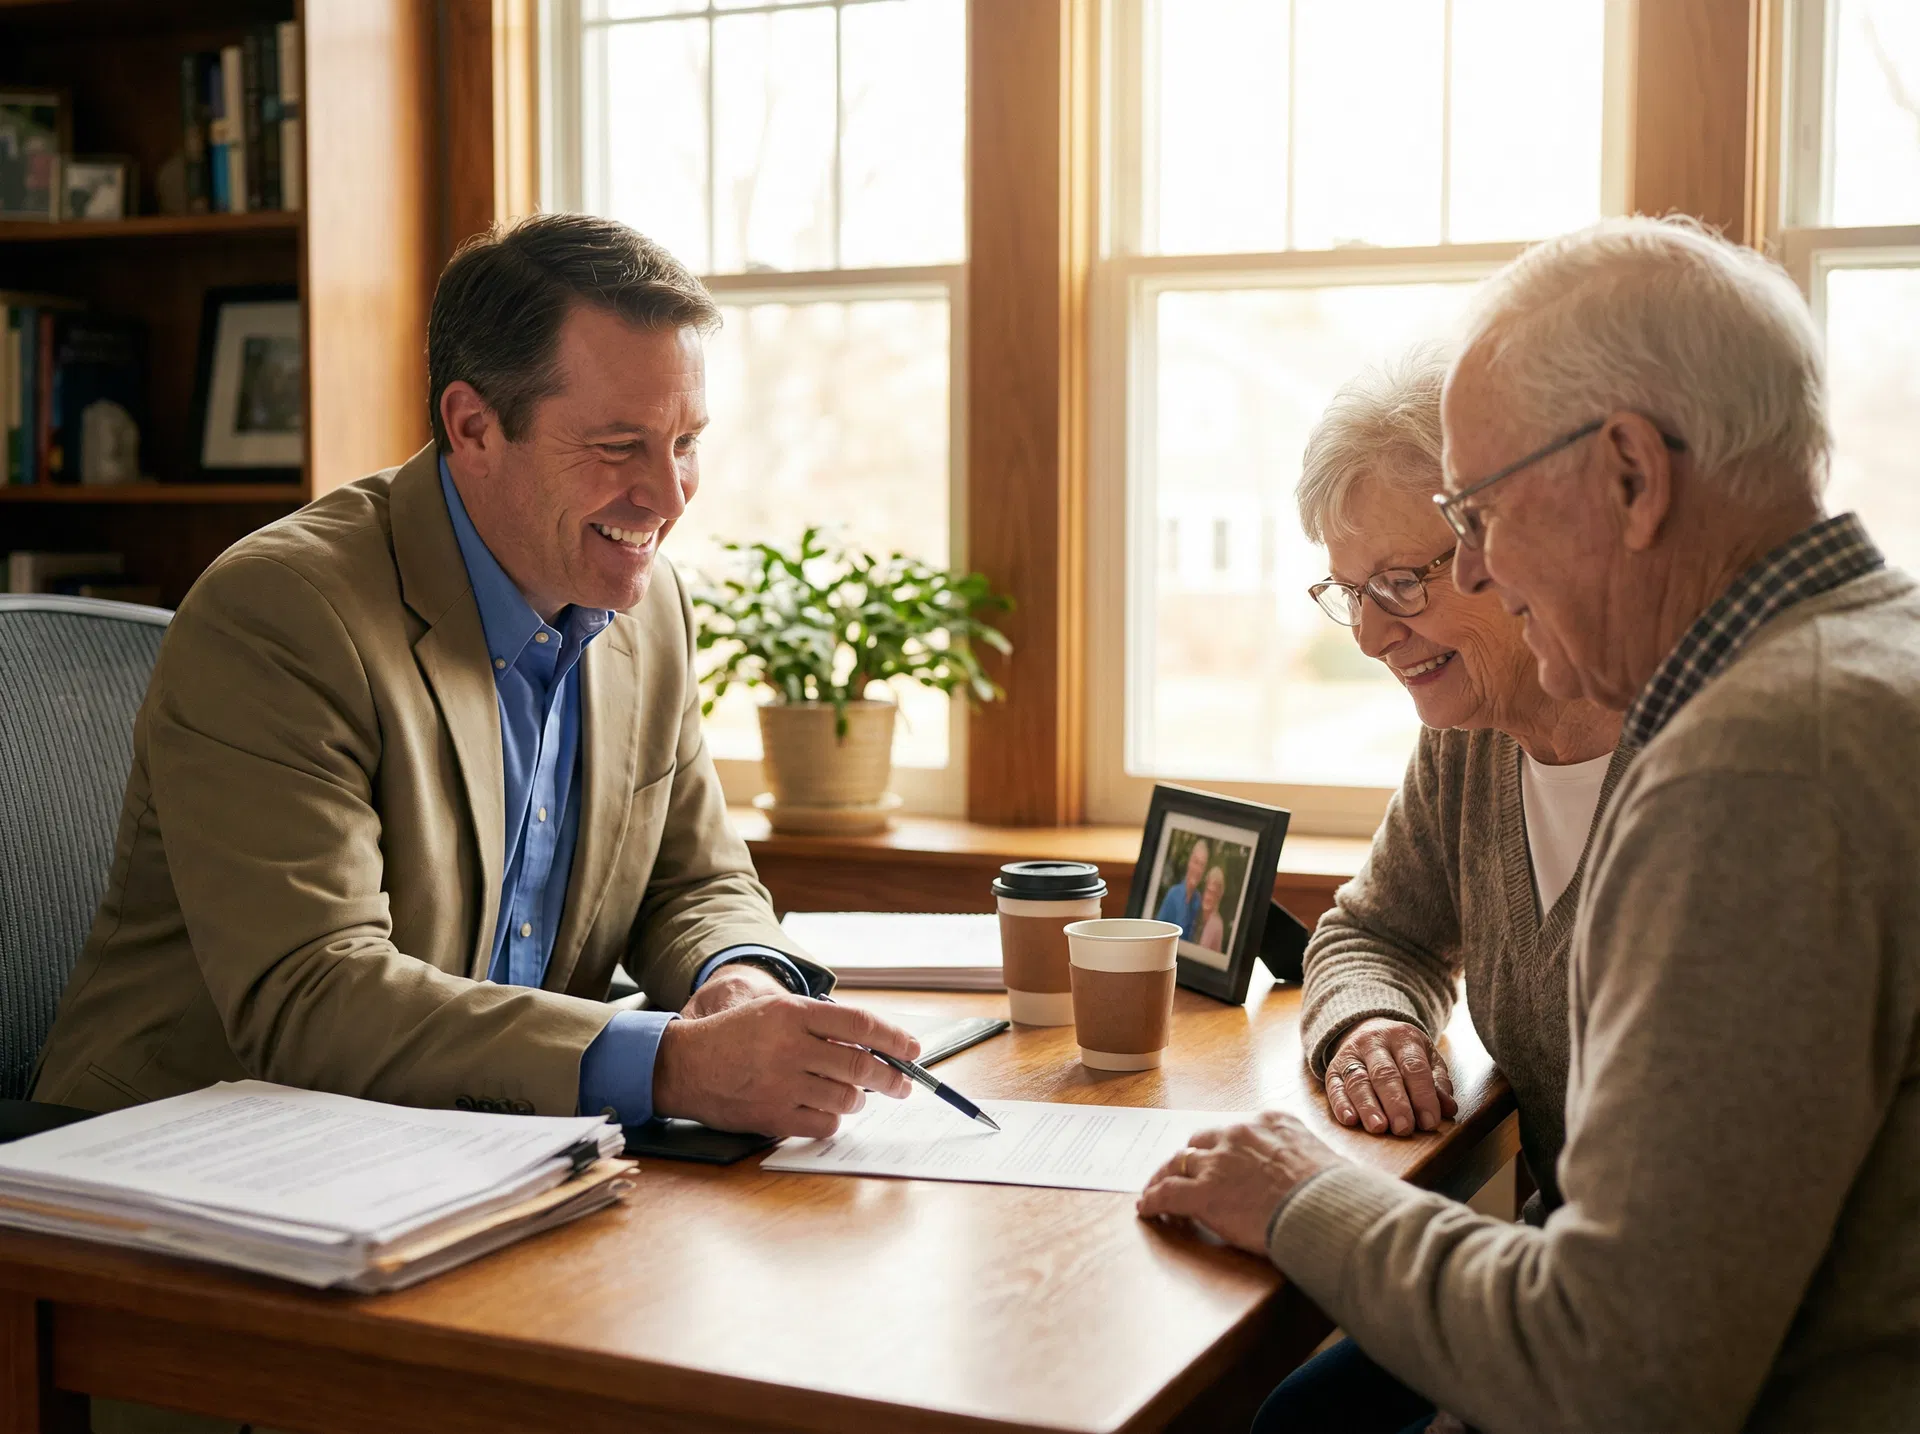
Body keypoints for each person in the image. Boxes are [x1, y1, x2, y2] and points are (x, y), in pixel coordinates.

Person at [1140, 216, 1920, 1433]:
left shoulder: (1755, 767)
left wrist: (1302, 1193)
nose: (1483, 571)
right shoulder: (1863, 658)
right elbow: (1375, 935)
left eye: (1481, 518)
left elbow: (1615, 1374)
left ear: (1630, 474)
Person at [33, 214, 920, 1145]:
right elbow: (313, 993)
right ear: (473, 425)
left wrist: (731, 980)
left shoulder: (647, 613)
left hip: (479, 1156)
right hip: (183, 1164)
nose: (667, 495)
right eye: (619, 446)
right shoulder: (284, 613)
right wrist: (670, 1064)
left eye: (686, 441)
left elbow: (692, 880)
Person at [1246, 344, 1627, 1432]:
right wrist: (1368, 1023)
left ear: (1513, 542)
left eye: (1400, 586)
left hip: (1629, 1322)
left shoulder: (1711, 769)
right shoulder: (1476, 737)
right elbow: (1375, 930)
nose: (1369, 635)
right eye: (1349, 593)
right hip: (1543, 1277)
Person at [1154, 838, 1210, 940]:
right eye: (1196, 862)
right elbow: (1157, 935)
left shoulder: (1198, 901)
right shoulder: (1173, 895)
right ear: (1189, 863)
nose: (1197, 869)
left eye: (1202, 865)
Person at [1195, 868, 1228, 953]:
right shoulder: (1199, 917)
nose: (1209, 897)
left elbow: (1199, 955)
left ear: (1218, 897)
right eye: (1208, 891)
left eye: (1213, 894)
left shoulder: (1215, 924)